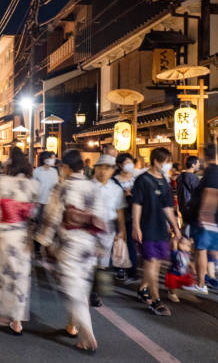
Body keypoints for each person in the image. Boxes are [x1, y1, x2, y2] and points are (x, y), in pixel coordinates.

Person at [37, 150, 105, 352]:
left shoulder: (63, 187)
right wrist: (100, 243)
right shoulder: (92, 187)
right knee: (81, 286)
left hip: (70, 242)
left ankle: (87, 334)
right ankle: (72, 325)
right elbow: (100, 215)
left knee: (73, 289)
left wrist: (44, 241)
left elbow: (52, 217)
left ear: (65, 167)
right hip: (89, 243)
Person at [0, 146, 38, 335]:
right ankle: (17, 320)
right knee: (21, 277)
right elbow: (35, 213)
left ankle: (2, 312)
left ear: (9, 165)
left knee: (1, 275)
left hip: (2, 235)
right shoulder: (32, 185)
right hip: (22, 236)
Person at [132, 147, 181, 316]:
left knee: (156, 263)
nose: (168, 165)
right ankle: (156, 301)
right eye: (165, 162)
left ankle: (142, 289)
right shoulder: (143, 180)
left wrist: (175, 227)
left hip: (161, 228)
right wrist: (136, 226)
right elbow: (137, 204)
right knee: (151, 262)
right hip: (147, 227)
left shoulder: (164, 181)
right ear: (156, 161)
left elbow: (167, 207)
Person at [89, 153, 126, 306]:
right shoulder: (88, 186)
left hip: (108, 228)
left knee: (103, 262)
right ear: (95, 169)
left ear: (113, 170)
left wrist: (121, 230)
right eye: (100, 167)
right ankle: (90, 291)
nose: (103, 171)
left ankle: (95, 292)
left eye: (108, 168)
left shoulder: (116, 189)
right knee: (89, 261)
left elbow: (119, 210)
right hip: (89, 228)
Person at [187, 144, 218, 293]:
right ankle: (202, 281)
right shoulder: (212, 171)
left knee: (201, 250)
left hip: (207, 219)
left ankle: (200, 284)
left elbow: (211, 192)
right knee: (206, 250)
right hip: (212, 219)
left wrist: (204, 215)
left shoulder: (212, 172)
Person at [113, 152, 139, 282]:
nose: (130, 165)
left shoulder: (137, 177)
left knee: (131, 244)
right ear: (119, 165)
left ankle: (132, 271)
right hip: (119, 215)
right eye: (126, 163)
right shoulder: (114, 179)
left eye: (131, 162)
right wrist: (123, 194)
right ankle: (121, 269)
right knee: (120, 242)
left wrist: (132, 194)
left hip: (135, 214)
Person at [33, 151, 59, 252]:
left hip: (51, 201)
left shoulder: (54, 171)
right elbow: (34, 186)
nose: (53, 160)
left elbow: (56, 186)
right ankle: (37, 246)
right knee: (39, 223)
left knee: (49, 224)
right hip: (39, 201)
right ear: (45, 159)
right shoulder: (37, 171)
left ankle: (46, 245)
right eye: (52, 158)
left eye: (54, 158)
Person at [165, 236, 196, 303]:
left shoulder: (188, 254)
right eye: (182, 244)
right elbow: (174, 245)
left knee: (189, 281)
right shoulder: (176, 252)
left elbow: (189, 262)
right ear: (178, 244)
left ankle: (179, 289)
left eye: (188, 246)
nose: (185, 246)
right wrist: (175, 240)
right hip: (173, 273)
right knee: (172, 285)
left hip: (183, 273)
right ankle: (171, 294)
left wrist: (193, 268)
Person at [176, 155, 200, 234]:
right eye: (198, 163)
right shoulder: (193, 178)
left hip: (182, 207)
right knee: (190, 231)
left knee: (185, 228)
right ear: (193, 165)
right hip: (191, 208)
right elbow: (197, 194)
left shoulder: (180, 176)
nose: (199, 165)